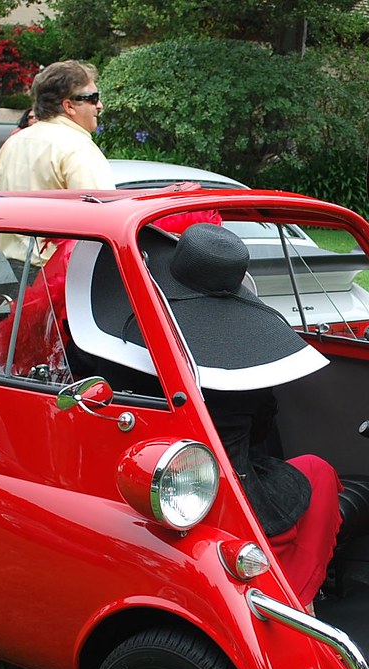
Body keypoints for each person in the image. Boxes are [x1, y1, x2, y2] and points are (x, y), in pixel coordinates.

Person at [65, 222, 342, 611]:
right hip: (234, 508)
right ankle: (299, 599)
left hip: (147, 493)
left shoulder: (111, 352)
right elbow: (262, 429)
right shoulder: (250, 372)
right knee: (318, 471)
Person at [0, 60, 115, 271]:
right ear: (69, 106)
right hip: (56, 276)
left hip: (10, 268)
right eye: (93, 98)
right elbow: (105, 220)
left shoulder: (14, 142)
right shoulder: (77, 148)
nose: (100, 105)